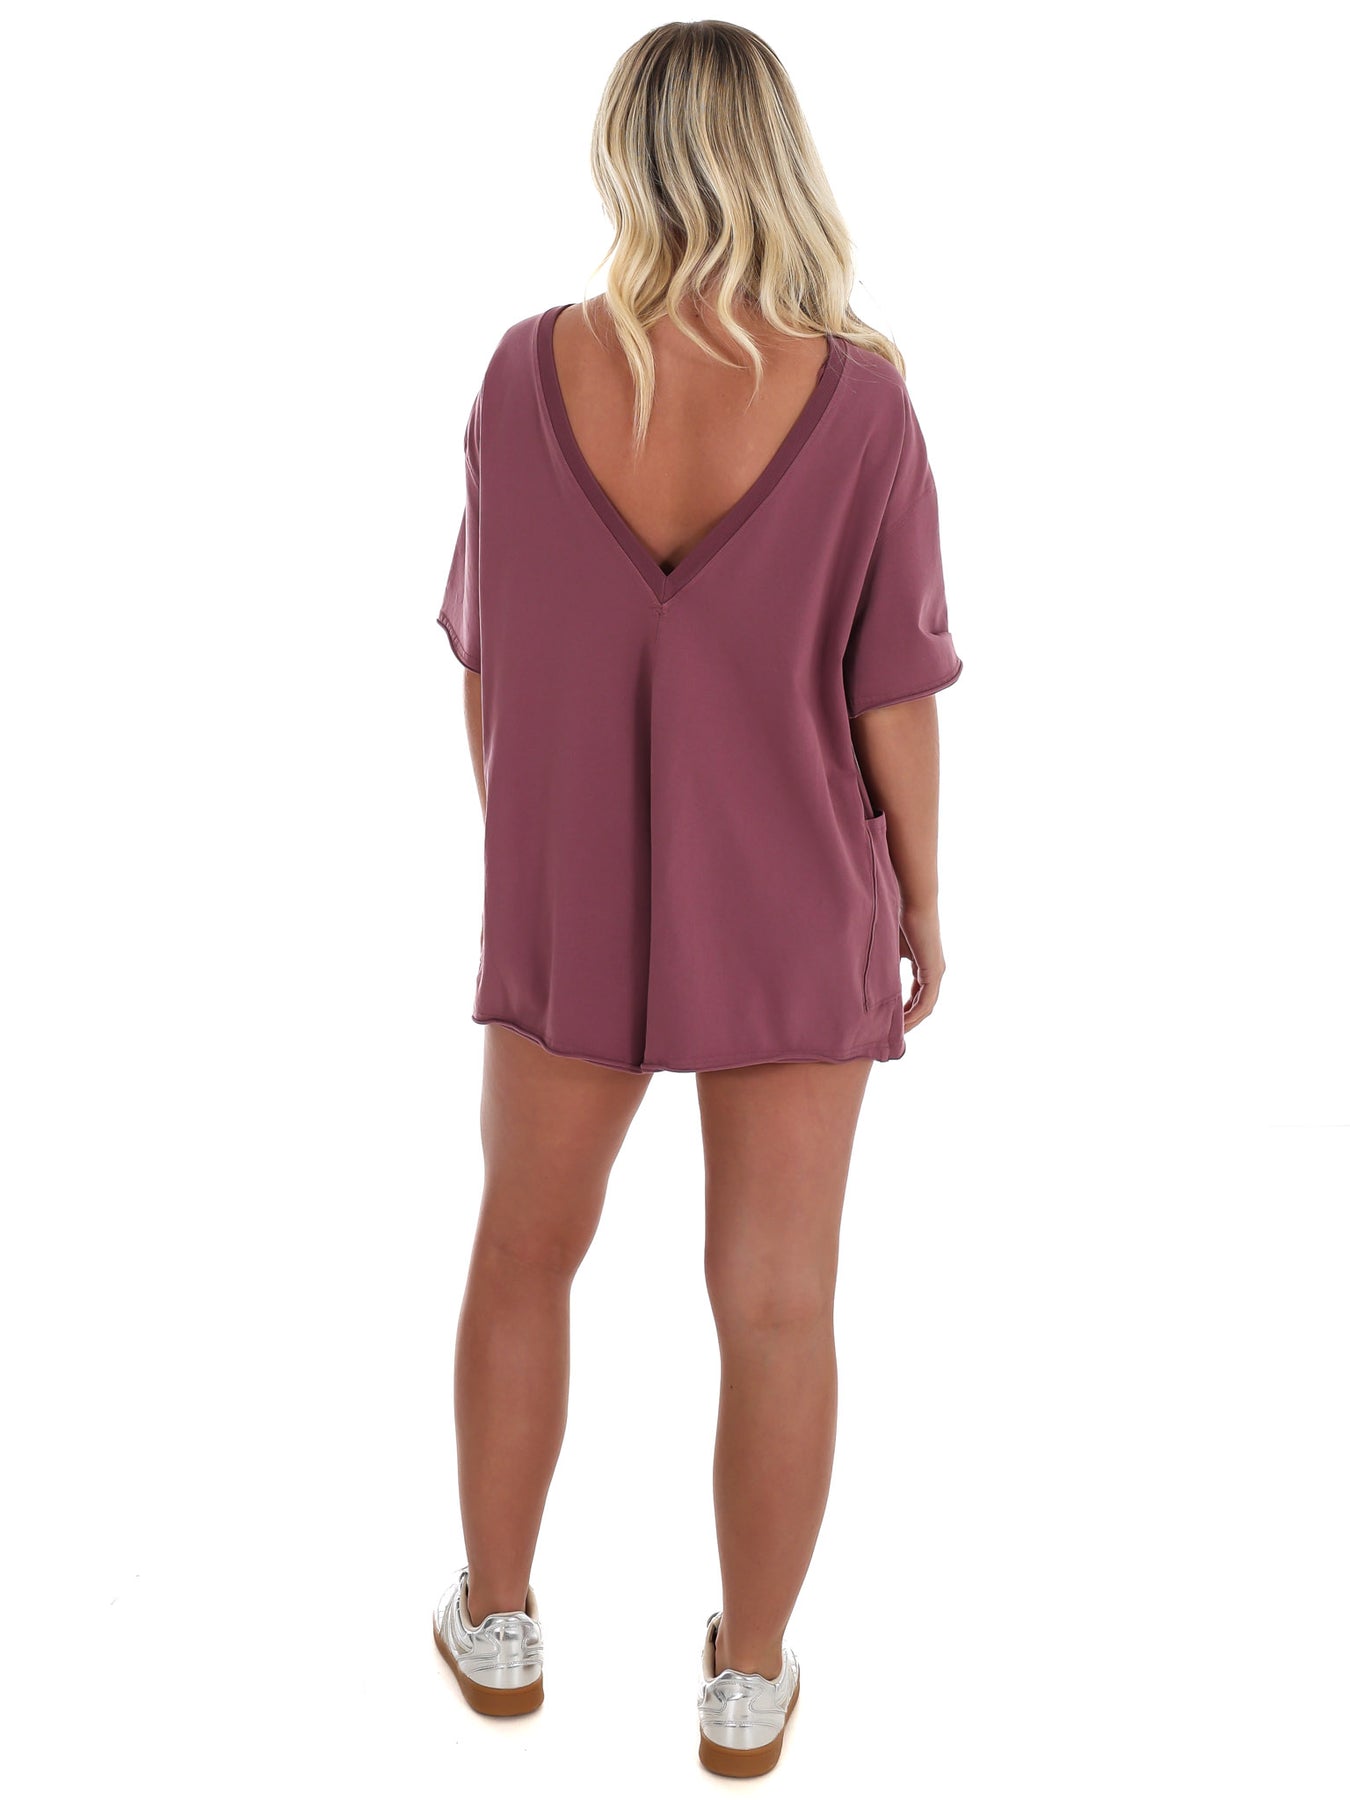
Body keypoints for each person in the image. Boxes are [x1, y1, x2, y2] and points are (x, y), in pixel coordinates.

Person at [429, 20, 962, 1778]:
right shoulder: (862, 401)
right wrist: (921, 897)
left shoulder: (522, 373)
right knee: (779, 1302)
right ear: (776, 157)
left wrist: (538, 853)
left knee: (522, 1249)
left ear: (625, 154)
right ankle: (746, 1682)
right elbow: (892, 692)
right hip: (793, 890)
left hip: (566, 888)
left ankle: (498, 1624)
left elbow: (489, 663)